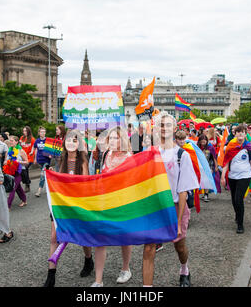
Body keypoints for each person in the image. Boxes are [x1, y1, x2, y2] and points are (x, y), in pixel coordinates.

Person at [143, 112, 199, 287]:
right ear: (156, 129)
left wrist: (177, 220)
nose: (164, 128)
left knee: (179, 247)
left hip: (175, 207)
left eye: (168, 125)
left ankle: (184, 269)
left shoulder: (182, 155)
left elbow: (183, 191)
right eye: (161, 125)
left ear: (174, 129)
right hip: (154, 207)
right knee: (149, 248)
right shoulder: (149, 153)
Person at [44, 130, 90, 287]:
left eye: (75, 140)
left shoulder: (83, 161)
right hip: (61, 204)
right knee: (54, 237)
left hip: (77, 205)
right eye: (69, 140)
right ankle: (51, 276)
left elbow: (85, 184)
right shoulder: (61, 158)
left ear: (79, 144)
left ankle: (88, 260)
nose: (71, 143)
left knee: (82, 237)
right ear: (64, 142)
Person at [91, 126, 134, 287]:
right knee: (100, 239)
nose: (113, 141)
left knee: (125, 238)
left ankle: (125, 269)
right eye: (111, 138)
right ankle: (98, 280)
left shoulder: (129, 157)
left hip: (123, 203)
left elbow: (131, 181)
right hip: (105, 201)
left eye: (116, 138)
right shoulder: (107, 155)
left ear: (123, 139)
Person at [220, 125, 251, 234]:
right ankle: (238, 214)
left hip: (245, 176)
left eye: (242, 132)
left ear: (246, 134)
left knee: (238, 199)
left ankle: (240, 224)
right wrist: (223, 176)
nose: (240, 134)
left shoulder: (249, 147)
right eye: (238, 132)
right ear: (235, 134)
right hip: (232, 176)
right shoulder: (230, 146)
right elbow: (226, 162)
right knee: (233, 199)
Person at [5, 136, 29, 208]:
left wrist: (19, 161)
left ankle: (8, 205)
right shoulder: (9, 150)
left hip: (20, 171)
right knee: (18, 187)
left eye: (12, 141)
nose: (10, 142)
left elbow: (27, 162)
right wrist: (5, 162)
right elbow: (6, 160)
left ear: (16, 142)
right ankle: (24, 200)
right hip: (11, 171)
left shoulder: (21, 151)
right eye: (10, 141)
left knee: (13, 187)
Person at [197, 134, 221, 202]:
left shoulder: (210, 147)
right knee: (202, 180)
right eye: (201, 141)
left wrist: (216, 166)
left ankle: (206, 195)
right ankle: (204, 193)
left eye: (204, 140)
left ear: (206, 141)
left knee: (207, 180)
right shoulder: (198, 147)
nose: (203, 142)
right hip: (200, 166)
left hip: (209, 166)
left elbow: (214, 157)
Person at [33, 127, 52, 197]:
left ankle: (39, 190)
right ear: (39, 133)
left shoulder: (48, 140)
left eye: (44, 132)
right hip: (39, 160)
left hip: (46, 160)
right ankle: (50, 188)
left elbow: (52, 151)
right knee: (45, 175)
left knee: (42, 174)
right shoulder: (37, 141)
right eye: (41, 132)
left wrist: (51, 155)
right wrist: (35, 159)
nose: (43, 133)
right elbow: (36, 149)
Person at [19, 126, 36, 193]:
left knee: (25, 169)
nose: (24, 132)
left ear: (28, 131)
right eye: (23, 131)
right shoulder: (21, 138)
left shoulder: (32, 139)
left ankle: (27, 184)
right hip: (22, 157)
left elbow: (33, 150)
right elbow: (19, 147)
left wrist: (30, 158)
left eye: (25, 131)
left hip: (29, 158)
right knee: (23, 170)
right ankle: (27, 182)